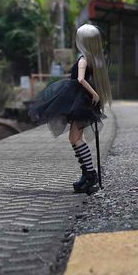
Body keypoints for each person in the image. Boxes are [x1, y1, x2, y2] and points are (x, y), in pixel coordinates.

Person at [28, 23, 113, 194]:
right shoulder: (95, 60)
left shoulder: (83, 59)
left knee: (75, 137)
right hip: (82, 101)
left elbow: (80, 79)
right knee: (74, 137)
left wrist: (94, 94)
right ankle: (87, 173)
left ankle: (90, 174)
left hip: (80, 101)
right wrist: (95, 94)